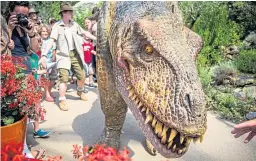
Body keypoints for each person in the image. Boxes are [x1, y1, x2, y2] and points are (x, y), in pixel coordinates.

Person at [39, 2, 96, 111]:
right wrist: (44, 55)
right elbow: (51, 40)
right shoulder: (57, 26)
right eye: (70, 12)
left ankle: (80, 90)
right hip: (63, 55)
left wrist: (96, 38)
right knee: (63, 78)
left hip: (75, 54)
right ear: (64, 13)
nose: (72, 14)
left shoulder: (74, 24)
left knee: (82, 76)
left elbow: (85, 33)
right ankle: (62, 100)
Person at [7, 1, 50, 138]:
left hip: (28, 68)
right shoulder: (4, 27)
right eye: (18, 15)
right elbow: (3, 45)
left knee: (35, 99)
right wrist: (9, 27)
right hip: (15, 70)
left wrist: (31, 33)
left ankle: (36, 130)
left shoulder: (25, 28)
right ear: (11, 13)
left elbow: (35, 49)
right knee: (21, 105)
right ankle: (20, 138)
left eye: (25, 15)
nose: (22, 18)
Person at [39, 24, 58, 102]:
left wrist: (54, 58)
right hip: (43, 62)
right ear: (40, 32)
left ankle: (49, 90)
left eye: (46, 31)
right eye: (43, 31)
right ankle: (47, 94)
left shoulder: (51, 39)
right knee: (46, 78)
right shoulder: (39, 40)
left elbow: (54, 50)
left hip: (52, 61)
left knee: (53, 78)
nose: (45, 33)